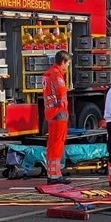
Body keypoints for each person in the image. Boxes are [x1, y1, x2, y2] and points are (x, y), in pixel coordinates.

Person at [42, 50, 72, 185]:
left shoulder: (48, 74)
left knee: (51, 144)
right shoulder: (57, 76)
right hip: (58, 113)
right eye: (68, 63)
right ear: (63, 62)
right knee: (57, 144)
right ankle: (55, 175)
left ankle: (52, 173)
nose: (68, 67)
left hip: (50, 113)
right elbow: (61, 95)